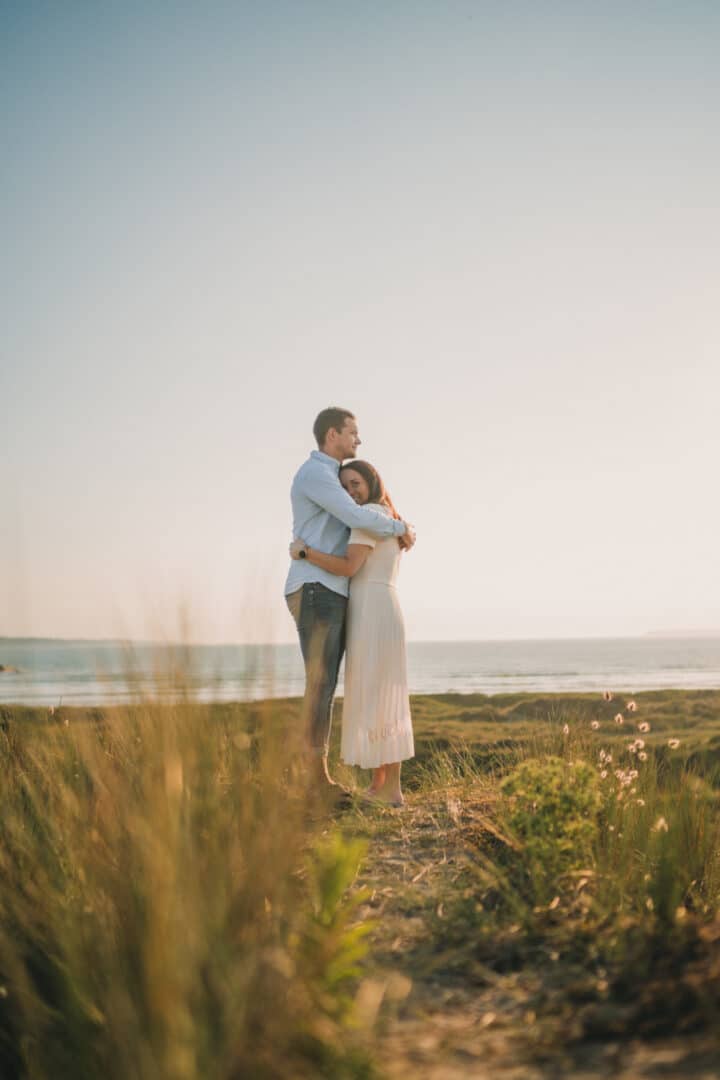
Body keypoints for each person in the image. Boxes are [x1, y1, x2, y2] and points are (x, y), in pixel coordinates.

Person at [285, 407, 415, 797]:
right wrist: (401, 526)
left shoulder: (333, 479)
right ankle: (314, 780)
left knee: (328, 684)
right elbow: (352, 515)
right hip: (316, 587)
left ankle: (329, 779)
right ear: (332, 435)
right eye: (352, 433)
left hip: (335, 592)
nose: (358, 440)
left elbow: (357, 525)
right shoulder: (316, 475)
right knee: (321, 683)